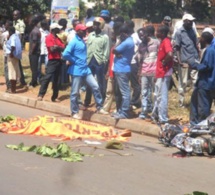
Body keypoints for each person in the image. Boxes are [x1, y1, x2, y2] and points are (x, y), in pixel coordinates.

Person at [62, 24, 108, 119]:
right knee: (75, 92)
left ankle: (99, 107)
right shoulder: (74, 41)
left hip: (86, 69)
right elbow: (65, 53)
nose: (85, 32)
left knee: (95, 86)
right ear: (78, 31)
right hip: (77, 70)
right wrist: (73, 60)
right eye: (83, 30)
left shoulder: (82, 40)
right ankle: (74, 112)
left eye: (85, 30)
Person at [188, 32, 215, 125]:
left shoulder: (210, 50)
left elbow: (207, 66)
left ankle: (201, 125)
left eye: (201, 38)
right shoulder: (210, 49)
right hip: (206, 82)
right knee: (195, 102)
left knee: (203, 106)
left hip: (206, 82)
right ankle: (194, 123)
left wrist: (194, 65)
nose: (199, 40)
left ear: (204, 39)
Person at [174, 13, 200, 107]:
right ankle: (181, 103)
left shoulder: (193, 30)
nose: (191, 23)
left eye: (192, 21)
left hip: (194, 59)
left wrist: (199, 56)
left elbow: (196, 45)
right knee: (183, 82)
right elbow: (177, 48)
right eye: (190, 21)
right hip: (184, 60)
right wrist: (179, 61)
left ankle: (195, 102)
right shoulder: (179, 32)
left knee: (196, 81)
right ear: (184, 21)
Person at [84, 17, 110, 107]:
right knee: (89, 82)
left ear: (101, 25)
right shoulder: (91, 35)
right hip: (90, 60)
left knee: (100, 82)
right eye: (94, 24)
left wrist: (104, 61)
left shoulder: (105, 37)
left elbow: (106, 51)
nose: (95, 26)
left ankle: (100, 101)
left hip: (99, 62)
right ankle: (87, 101)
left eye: (97, 24)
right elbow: (87, 47)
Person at [151, 25, 173, 124]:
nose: (156, 33)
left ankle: (163, 118)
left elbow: (170, 54)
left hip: (164, 73)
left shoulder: (166, 42)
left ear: (162, 33)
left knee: (162, 96)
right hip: (160, 73)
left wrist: (165, 62)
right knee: (157, 95)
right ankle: (155, 115)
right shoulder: (162, 42)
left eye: (158, 31)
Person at [37, 23, 65, 102]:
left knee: (57, 80)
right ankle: (41, 94)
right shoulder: (49, 37)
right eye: (58, 29)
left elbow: (63, 47)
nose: (59, 30)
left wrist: (57, 47)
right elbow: (52, 49)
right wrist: (58, 47)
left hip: (58, 60)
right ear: (53, 29)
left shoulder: (57, 38)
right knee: (47, 77)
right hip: (52, 60)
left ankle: (54, 97)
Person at [112, 24, 134, 119]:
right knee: (122, 92)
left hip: (122, 69)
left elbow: (114, 50)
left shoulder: (126, 42)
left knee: (125, 92)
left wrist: (119, 41)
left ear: (124, 33)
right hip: (122, 68)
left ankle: (124, 112)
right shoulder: (129, 41)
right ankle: (121, 110)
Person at [138, 25, 160, 120]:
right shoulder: (141, 45)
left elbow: (159, 57)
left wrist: (158, 72)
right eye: (140, 36)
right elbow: (140, 60)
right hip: (144, 72)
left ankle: (155, 113)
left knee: (155, 93)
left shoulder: (156, 43)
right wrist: (139, 73)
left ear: (147, 35)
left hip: (154, 71)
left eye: (143, 35)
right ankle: (144, 111)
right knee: (144, 92)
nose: (141, 37)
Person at [125, 20, 142, 110]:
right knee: (127, 83)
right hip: (127, 62)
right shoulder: (128, 36)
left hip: (133, 63)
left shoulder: (136, 36)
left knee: (135, 83)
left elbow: (141, 47)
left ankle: (135, 101)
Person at [13, 10, 27, 88]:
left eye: (15, 15)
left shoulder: (21, 24)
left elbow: (22, 36)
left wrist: (19, 46)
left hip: (17, 45)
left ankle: (22, 80)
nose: (14, 16)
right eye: (13, 15)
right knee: (15, 63)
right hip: (13, 44)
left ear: (19, 15)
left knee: (18, 63)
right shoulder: (14, 22)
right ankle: (17, 79)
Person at [5, 26, 22, 93]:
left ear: (10, 31)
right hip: (16, 56)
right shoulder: (16, 37)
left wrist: (11, 53)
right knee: (15, 71)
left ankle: (12, 90)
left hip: (12, 56)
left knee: (12, 73)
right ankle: (13, 89)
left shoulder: (12, 38)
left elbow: (13, 46)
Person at [28, 15, 42, 87]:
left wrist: (31, 51)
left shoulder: (34, 31)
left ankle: (33, 82)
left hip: (34, 52)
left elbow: (35, 42)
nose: (29, 22)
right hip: (35, 52)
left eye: (30, 20)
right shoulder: (36, 30)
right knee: (34, 67)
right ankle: (34, 81)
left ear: (33, 22)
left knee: (34, 68)